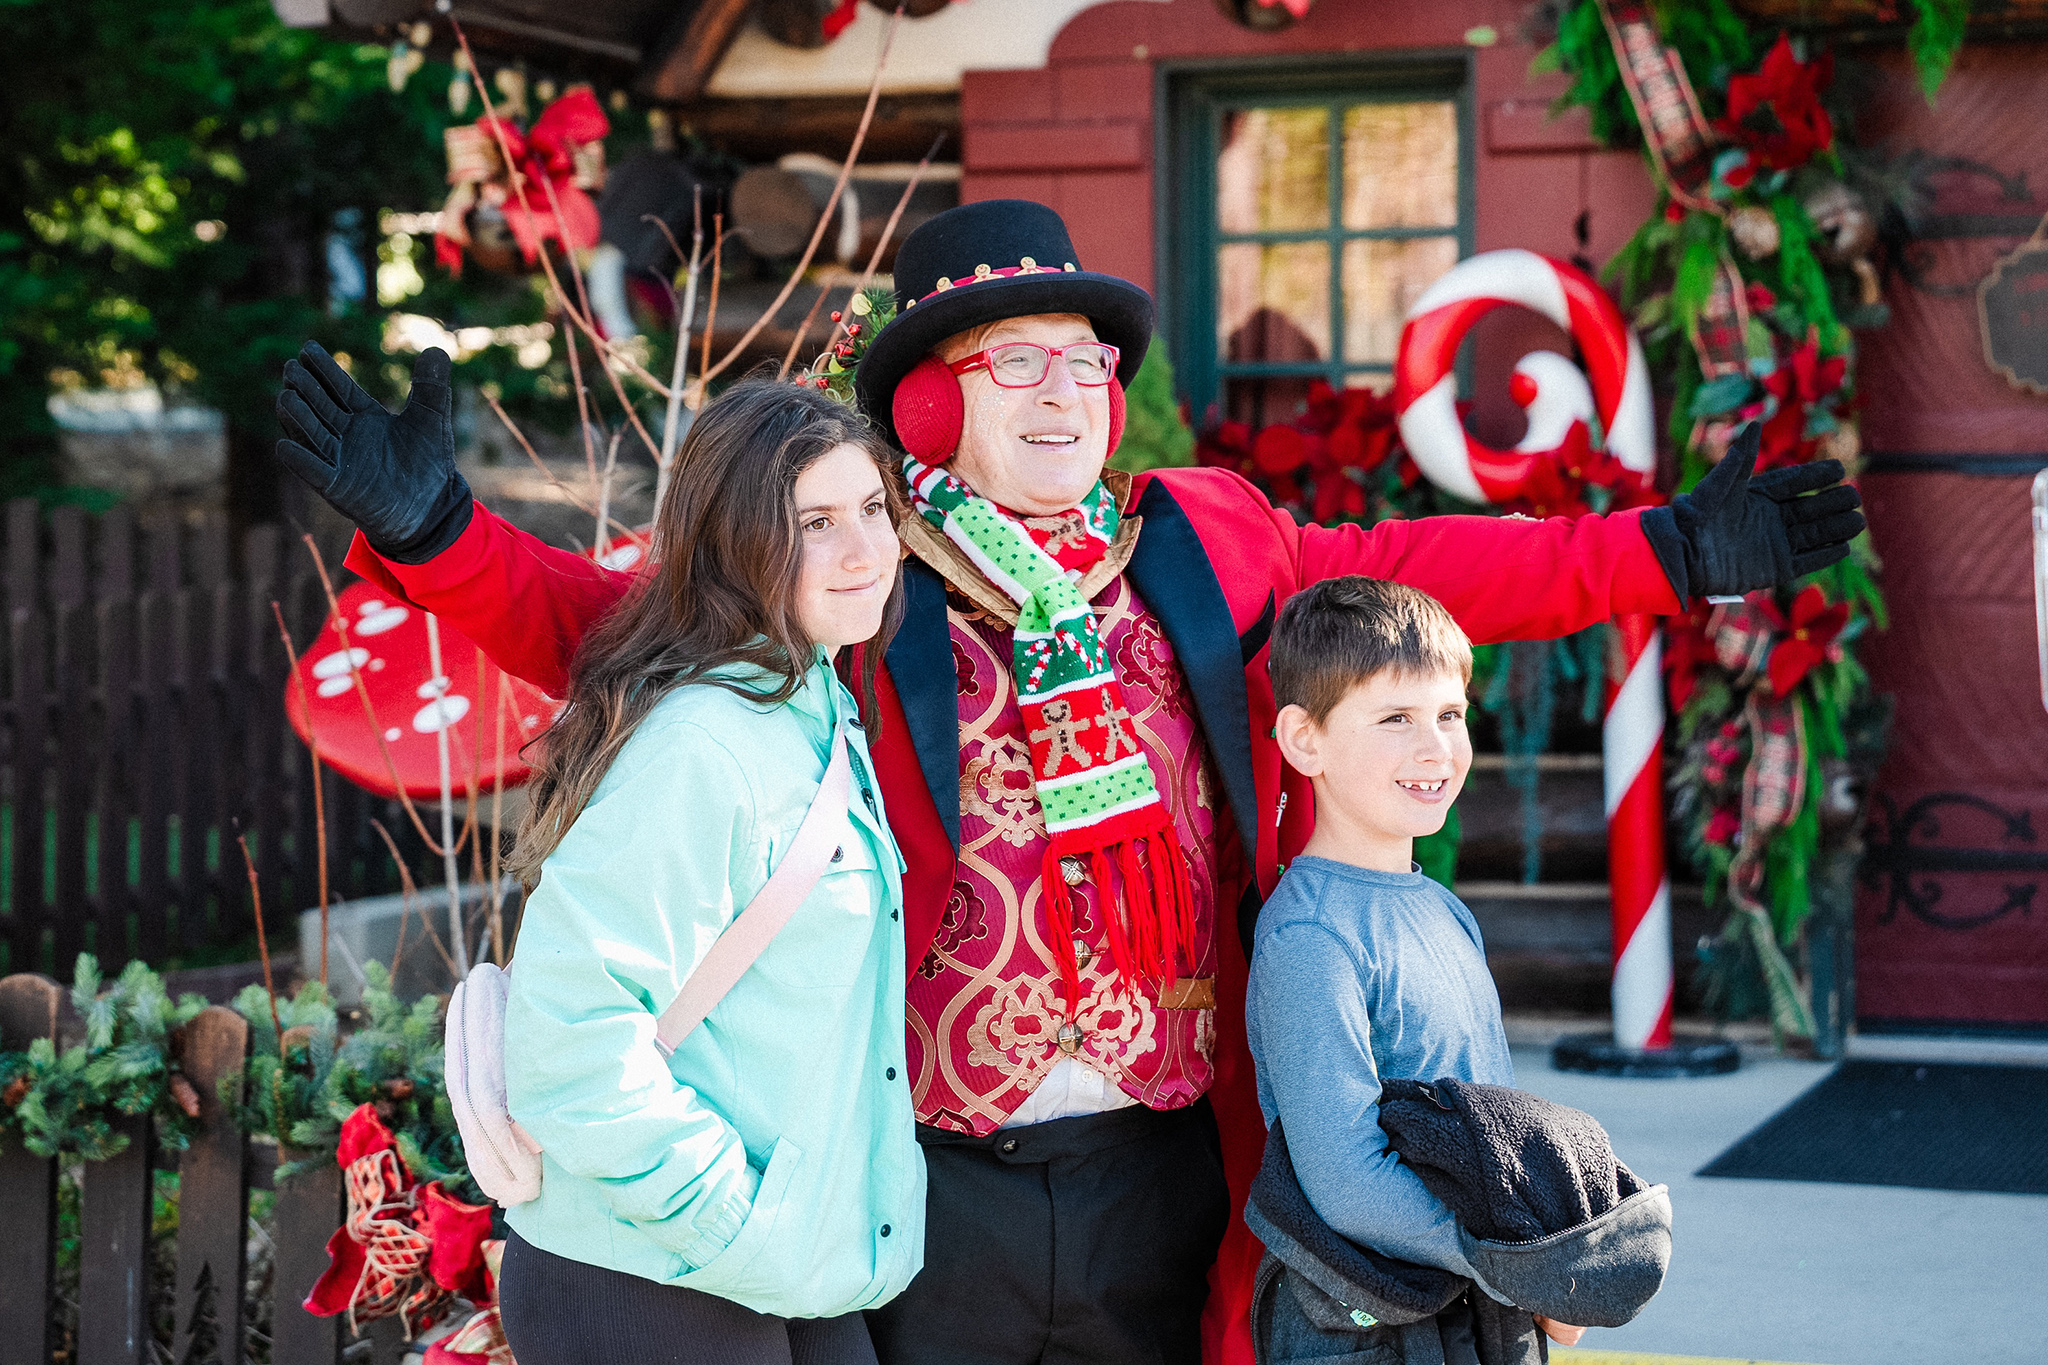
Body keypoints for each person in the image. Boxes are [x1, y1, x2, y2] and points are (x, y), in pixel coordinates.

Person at [274, 199, 1864, 1365]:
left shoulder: (1204, 539)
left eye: (1089, 362)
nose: (1066, 393)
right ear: (931, 401)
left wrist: (1664, 551)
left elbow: (1419, 572)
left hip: (1162, 1168)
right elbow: (608, 629)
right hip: (928, 1176)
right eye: (1014, 360)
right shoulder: (848, 558)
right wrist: (437, 539)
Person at [471, 379, 919, 1365]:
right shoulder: (703, 747)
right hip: (652, 1274)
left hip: (779, 1261)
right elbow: (573, 1046)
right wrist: (736, 1223)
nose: (866, 550)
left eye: (873, 510)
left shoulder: (812, 704)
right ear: (737, 544)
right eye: (815, 523)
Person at [1249, 576, 1605, 1361]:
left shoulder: (1444, 909)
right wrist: (1522, 1267)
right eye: (1396, 719)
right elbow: (1346, 1176)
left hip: (1484, 1304)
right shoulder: (1311, 935)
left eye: (1450, 715)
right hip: (1369, 1324)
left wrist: (1550, 1230)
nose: (1435, 747)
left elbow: (1494, 1121)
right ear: (1305, 740)